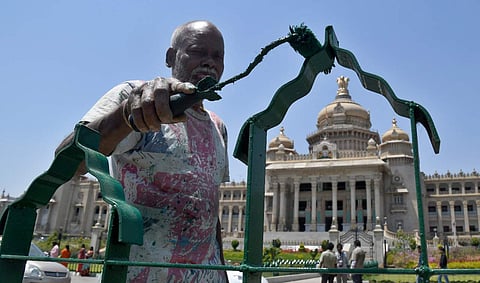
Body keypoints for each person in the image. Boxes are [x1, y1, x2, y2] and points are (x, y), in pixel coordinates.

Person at [57, 20, 228, 282]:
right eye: (197, 51)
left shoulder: (217, 127)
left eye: (217, 56)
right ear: (171, 57)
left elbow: (209, 210)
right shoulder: (137, 97)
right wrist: (125, 115)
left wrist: (223, 273)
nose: (209, 62)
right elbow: (66, 161)